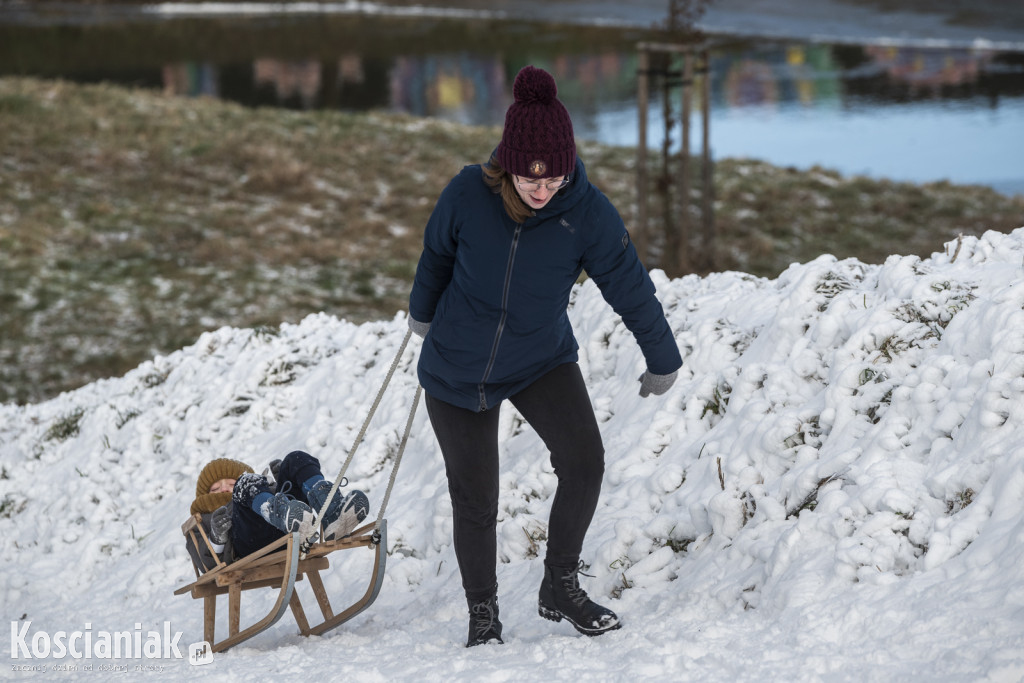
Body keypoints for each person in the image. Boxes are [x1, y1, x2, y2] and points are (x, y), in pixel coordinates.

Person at [407, 65, 682, 647]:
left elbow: (629, 284)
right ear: (507, 163)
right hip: (458, 367)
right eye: (530, 177)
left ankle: (560, 584)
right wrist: (421, 313)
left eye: (553, 175)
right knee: (477, 497)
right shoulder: (466, 193)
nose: (541, 188)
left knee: (585, 461)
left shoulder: (587, 214)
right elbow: (435, 256)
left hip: (539, 357)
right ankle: (483, 613)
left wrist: (663, 356)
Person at [186, 450, 369, 572]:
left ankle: (332, 513)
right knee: (247, 485)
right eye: (216, 488)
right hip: (251, 544)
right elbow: (205, 565)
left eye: (231, 484)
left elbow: (259, 487)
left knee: (295, 459)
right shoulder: (203, 519)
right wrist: (216, 539)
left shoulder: (256, 489)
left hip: (290, 528)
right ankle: (278, 512)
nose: (225, 490)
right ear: (205, 495)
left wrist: (283, 480)